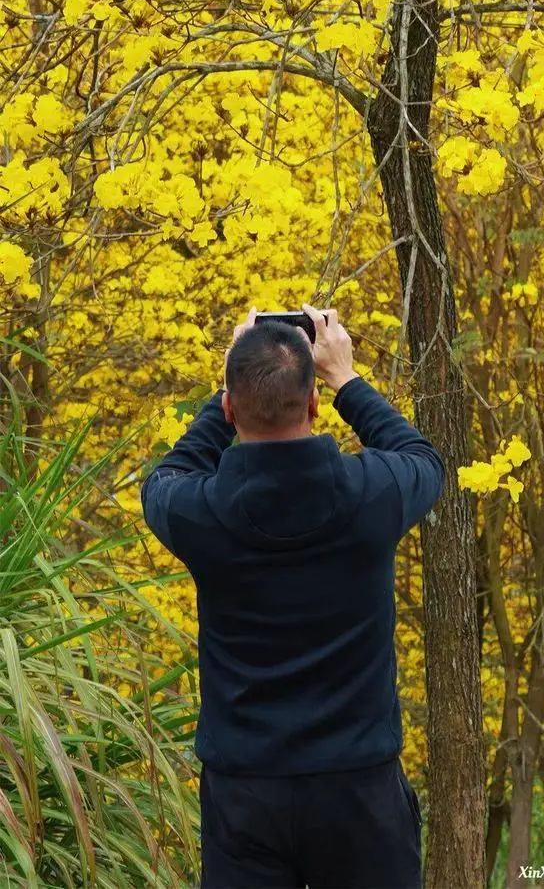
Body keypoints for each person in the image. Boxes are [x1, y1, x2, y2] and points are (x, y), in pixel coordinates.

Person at [140, 302, 445, 889]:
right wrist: (347, 380)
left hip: (245, 790)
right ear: (312, 404)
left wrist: (230, 384)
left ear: (230, 408)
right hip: (359, 787)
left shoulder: (200, 512)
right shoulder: (369, 495)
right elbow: (422, 459)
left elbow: (166, 477)